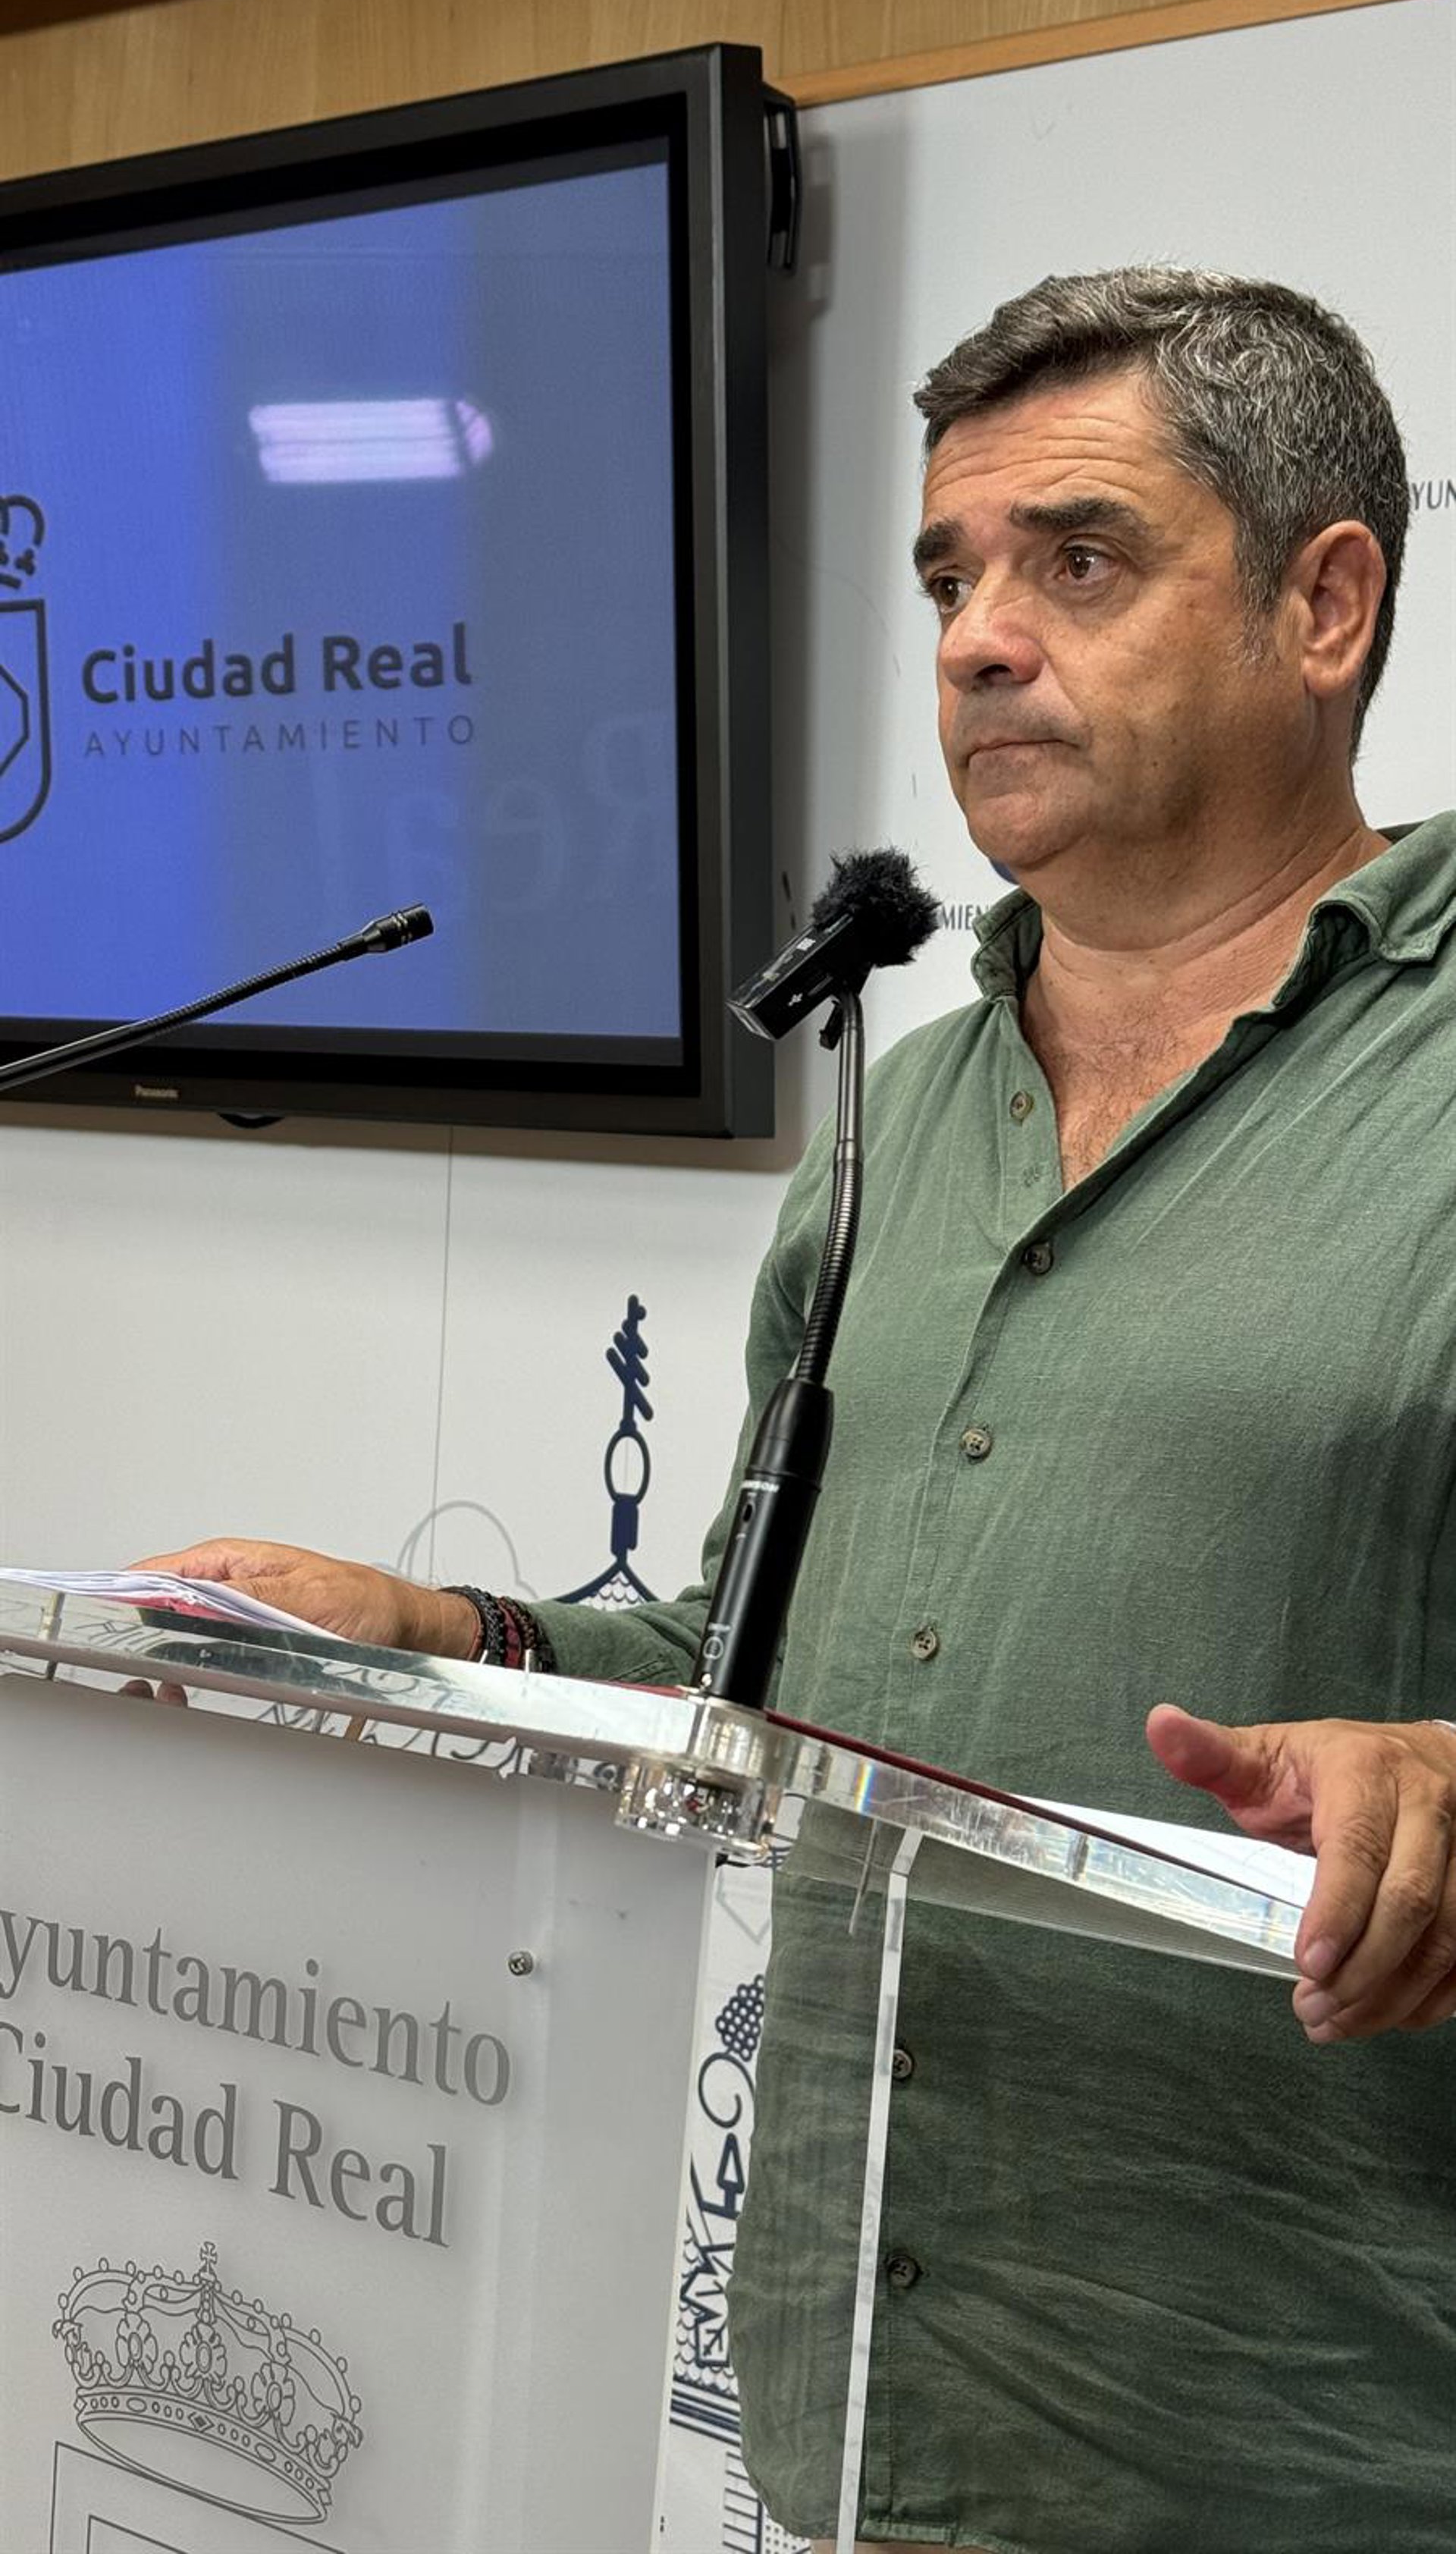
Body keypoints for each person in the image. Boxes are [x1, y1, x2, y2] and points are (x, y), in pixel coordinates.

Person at [146, 270, 1456, 2552]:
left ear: (1322, 603)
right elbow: (761, 1671)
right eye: (949, 580)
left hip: (1300, 2451)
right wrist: (442, 1637)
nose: (977, 642)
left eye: (1078, 561)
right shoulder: (893, 1119)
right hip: (858, 2412)